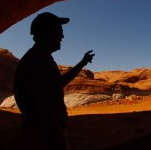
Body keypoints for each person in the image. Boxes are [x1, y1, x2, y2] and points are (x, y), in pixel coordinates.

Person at [14, 12, 95, 150]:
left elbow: (57, 84)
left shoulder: (40, 58)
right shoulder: (37, 61)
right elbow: (44, 103)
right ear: (47, 33)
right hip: (44, 135)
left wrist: (82, 63)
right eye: (59, 31)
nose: (62, 36)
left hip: (44, 131)